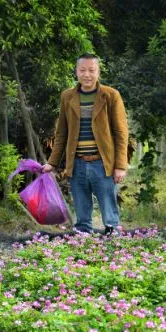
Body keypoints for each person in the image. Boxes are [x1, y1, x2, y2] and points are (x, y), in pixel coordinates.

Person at [42, 54, 129, 235]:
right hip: (77, 163)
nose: (87, 74)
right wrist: (52, 162)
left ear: (98, 72)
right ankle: (83, 242)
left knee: (109, 210)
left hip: (102, 163)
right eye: (82, 70)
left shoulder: (111, 95)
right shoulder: (67, 97)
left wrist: (120, 165)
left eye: (91, 70)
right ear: (76, 71)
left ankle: (115, 245)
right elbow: (62, 133)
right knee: (81, 210)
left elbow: (121, 133)